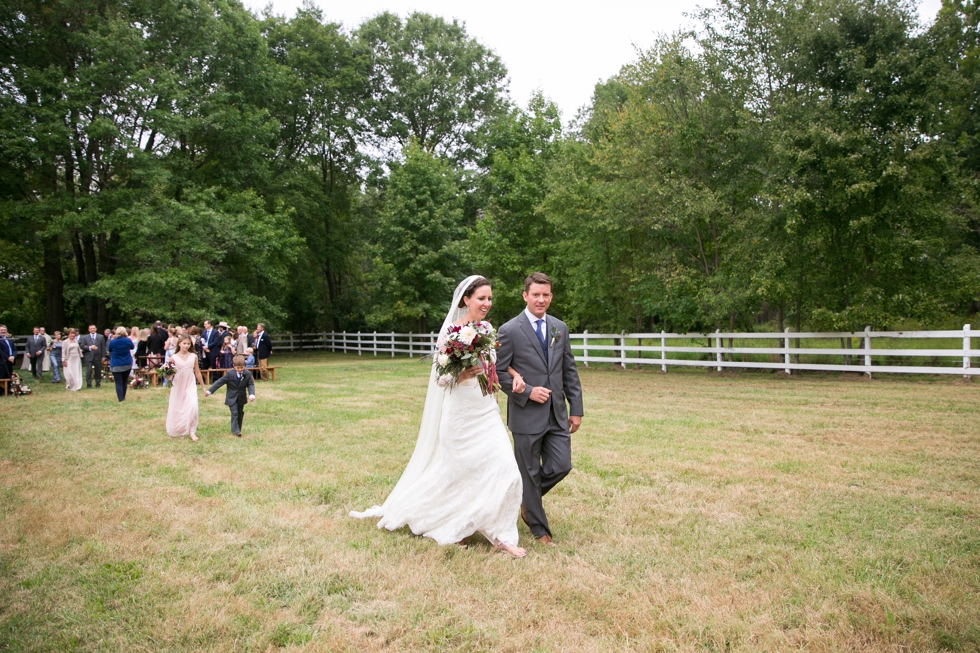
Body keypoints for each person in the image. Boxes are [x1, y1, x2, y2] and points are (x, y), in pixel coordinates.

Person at [350, 276, 527, 558]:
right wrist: (462, 373)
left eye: (490, 298)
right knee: (458, 473)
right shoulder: (451, 333)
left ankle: (503, 535)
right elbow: (440, 380)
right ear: (466, 299)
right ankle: (453, 524)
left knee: (506, 468)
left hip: (485, 410)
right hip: (459, 414)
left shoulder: (488, 330)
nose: (487, 303)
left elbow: (493, 369)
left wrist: (500, 385)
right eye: (481, 298)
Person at [496, 272, 584, 547]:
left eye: (546, 294)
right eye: (536, 294)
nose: (541, 299)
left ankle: (525, 499)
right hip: (525, 415)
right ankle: (539, 528)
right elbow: (498, 373)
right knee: (529, 471)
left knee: (562, 465)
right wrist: (528, 391)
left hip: (557, 413)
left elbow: (568, 368)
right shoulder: (509, 330)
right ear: (525, 295)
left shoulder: (560, 327)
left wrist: (576, 407)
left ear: (551, 296)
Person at [165, 334, 208, 442]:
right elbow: (168, 375)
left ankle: (192, 431)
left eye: (188, 344)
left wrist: (203, 388)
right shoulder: (173, 357)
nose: (186, 346)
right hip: (178, 383)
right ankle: (180, 429)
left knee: (193, 406)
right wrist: (167, 372)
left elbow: (197, 372)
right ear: (179, 344)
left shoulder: (194, 356)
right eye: (184, 343)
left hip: (190, 383)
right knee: (179, 407)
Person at [205, 354, 255, 437]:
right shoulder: (229, 373)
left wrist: (252, 394)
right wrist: (209, 391)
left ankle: (238, 428)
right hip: (231, 397)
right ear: (234, 366)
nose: (240, 369)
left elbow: (250, 384)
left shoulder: (248, 374)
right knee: (234, 413)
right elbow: (219, 382)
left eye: (242, 367)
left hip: (241, 398)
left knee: (239, 413)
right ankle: (236, 431)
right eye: (238, 368)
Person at [106, 327, 134, 402]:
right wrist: (127, 337)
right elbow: (132, 347)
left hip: (116, 363)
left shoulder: (112, 341)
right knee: (124, 381)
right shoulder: (127, 340)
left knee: (118, 382)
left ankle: (120, 398)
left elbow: (109, 349)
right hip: (126, 362)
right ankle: (123, 396)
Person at [78, 324, 106, 389]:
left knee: (98, 370)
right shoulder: (85, 337)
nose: (92, 329)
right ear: (89, 330)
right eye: (91, 328)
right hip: (88, 356)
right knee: (89, 370)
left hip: (98, 356)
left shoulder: (101, 337)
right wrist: (90, 347)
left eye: (93, 328)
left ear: (96, 329)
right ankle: (89, 384)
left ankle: (98, 384)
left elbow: (103, 347)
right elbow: (82, 346)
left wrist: (103, 356)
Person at [0, 324, 14, 395]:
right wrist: (7, 357)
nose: (3, 331)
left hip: (10, 361)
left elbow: (14, 349)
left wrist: (13, 356)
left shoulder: (9, 339)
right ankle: (1, 391)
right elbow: (1, 351)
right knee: (2, 376)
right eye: (1, 330)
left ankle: (8, 390)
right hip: (2, 361)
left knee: (9, 376)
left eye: (4, 330)